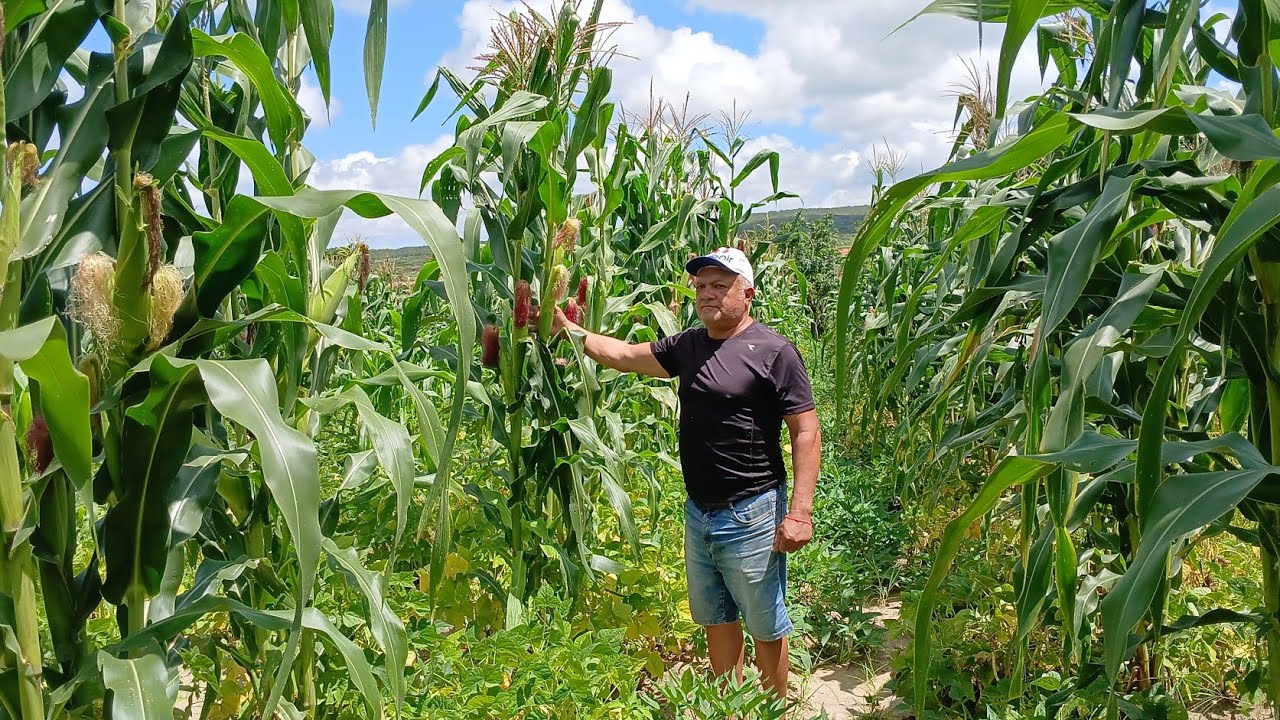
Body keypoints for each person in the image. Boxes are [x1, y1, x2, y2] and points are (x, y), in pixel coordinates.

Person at [552, 246, 821, 700]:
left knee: (764, 624)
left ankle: (774, 708)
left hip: (752, 510)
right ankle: (729, 708)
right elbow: (622, 356)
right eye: (701, 286)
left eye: (721, 285)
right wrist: (567, 328)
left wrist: (800, 512)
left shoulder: (774, 351)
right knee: (716, 618)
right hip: (699, 512)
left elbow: (806, 431)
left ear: (748, 293)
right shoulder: (689, 345)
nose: (707, 294)